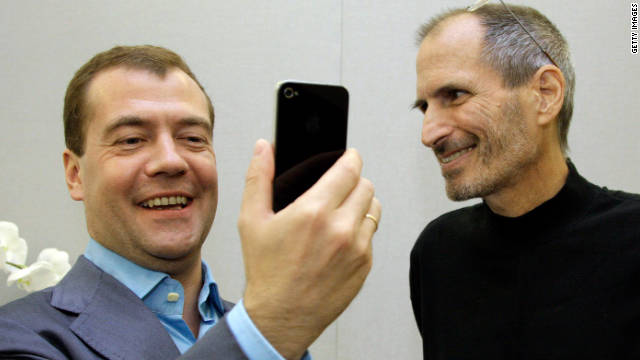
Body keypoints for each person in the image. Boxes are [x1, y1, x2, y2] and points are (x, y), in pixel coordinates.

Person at [0, 45, 381, 360]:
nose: (171, 160)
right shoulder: (19, 337)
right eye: (132, 139)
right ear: (75, 174)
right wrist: (270, 323)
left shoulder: (267, 331)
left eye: (193, 138)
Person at [409, 3, 640, 359]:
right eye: (425, 106)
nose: (429, 133)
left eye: (455, 95)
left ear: (545, 94)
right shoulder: (438, 253)